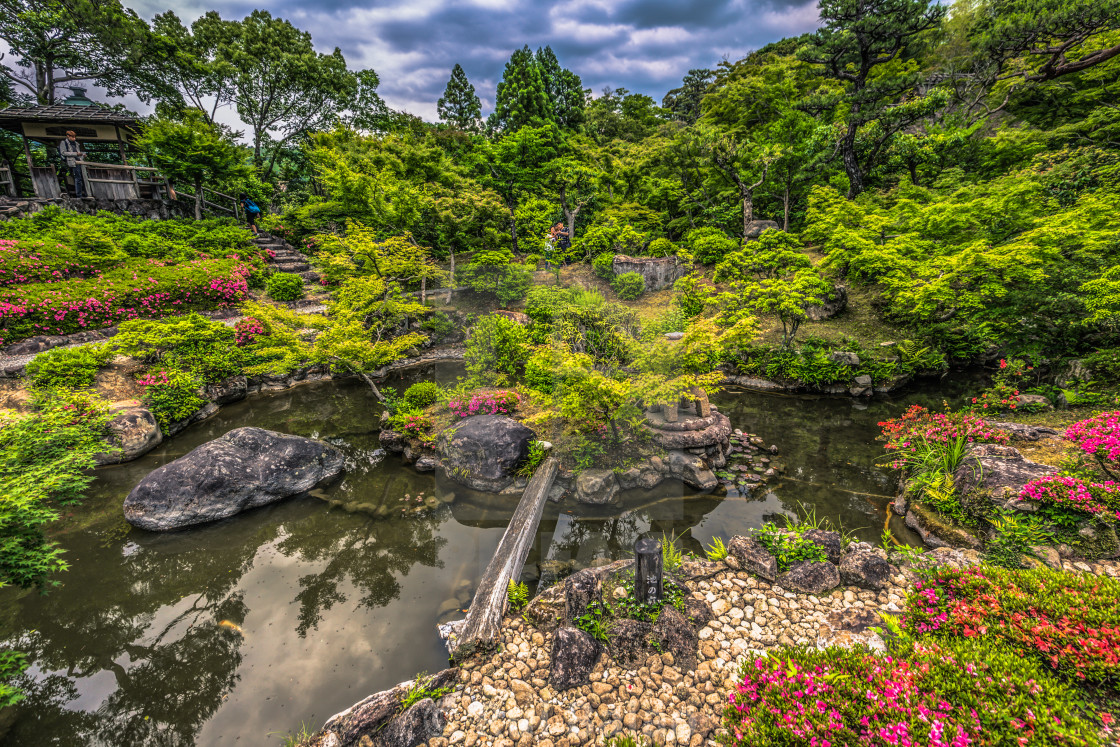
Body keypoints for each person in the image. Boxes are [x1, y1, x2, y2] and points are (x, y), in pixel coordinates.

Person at [58, 131, 85, 198]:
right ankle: (79, 195)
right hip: (72, 162)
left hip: (79, 161)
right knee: (77, 178)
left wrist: (82, 155)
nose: (74, 138)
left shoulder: (76, 144)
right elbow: (63, 153)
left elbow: (78, 153)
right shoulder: (63, 143)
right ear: (68, 136)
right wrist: (75, 153)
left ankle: (83, 193)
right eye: (72, 137)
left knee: (82, 178)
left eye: (74, 137)